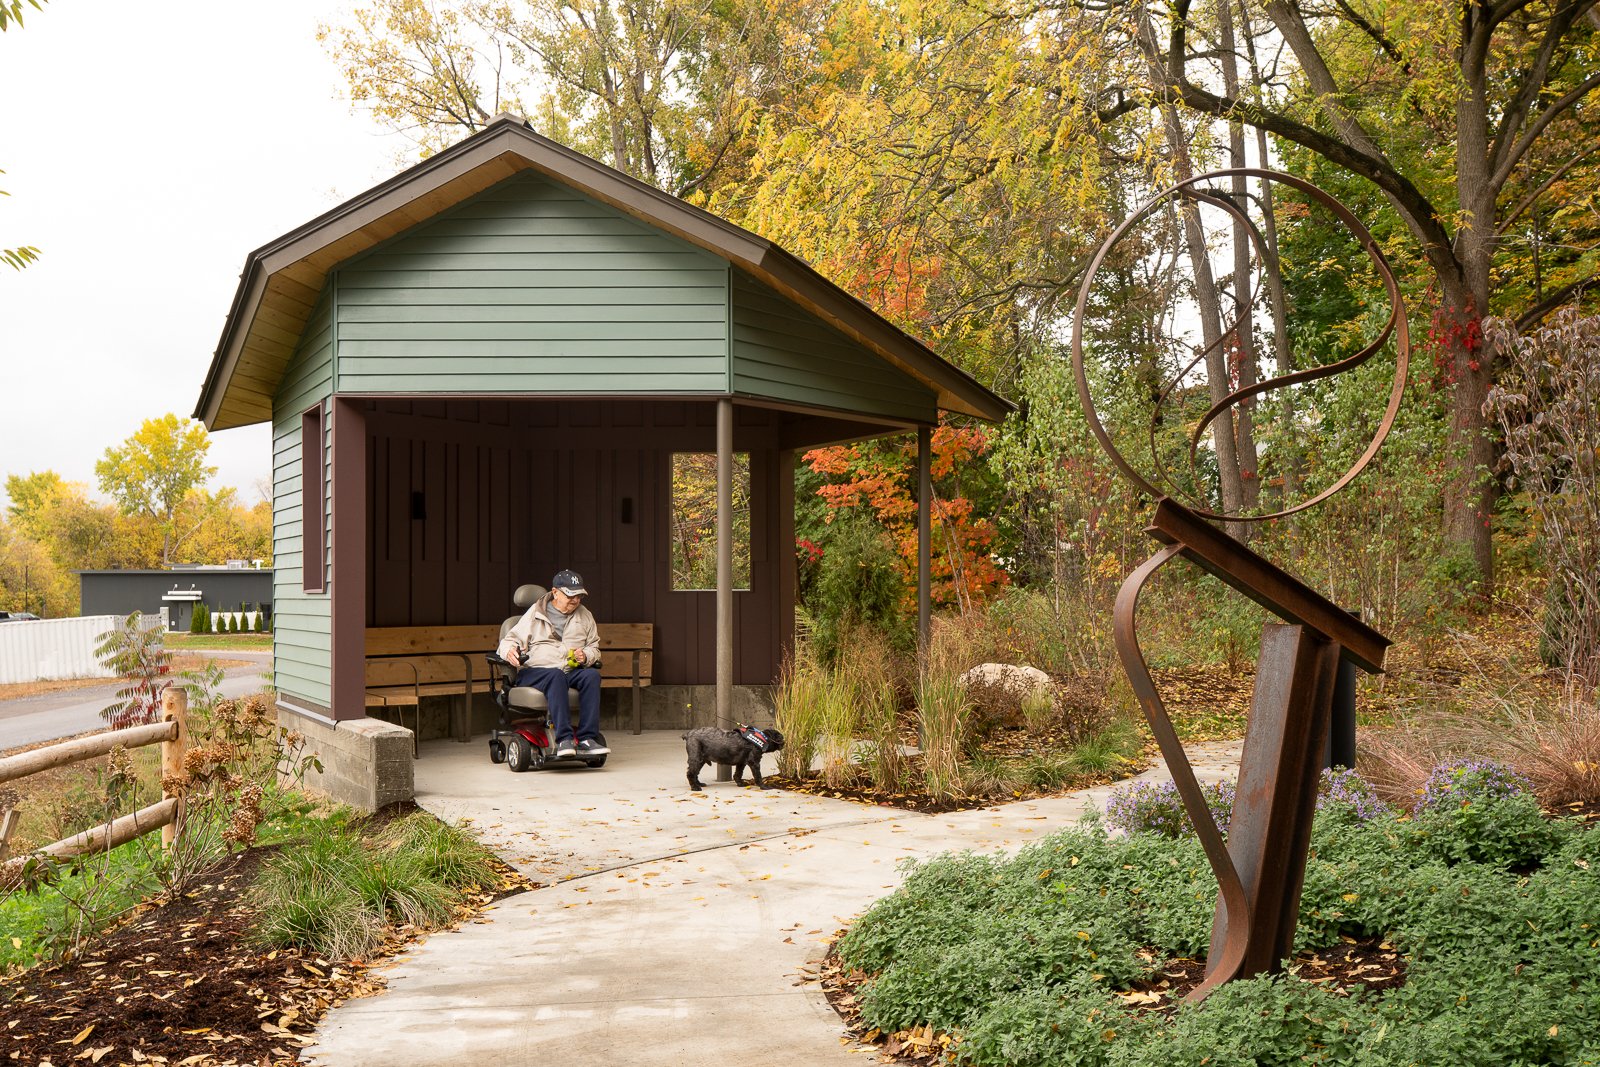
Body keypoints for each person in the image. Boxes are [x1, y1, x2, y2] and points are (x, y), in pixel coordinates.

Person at [497, 569, 608, 758]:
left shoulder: (585, 615)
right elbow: (509, 641)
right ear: (555, 592)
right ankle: (564, 739)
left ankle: (587, 739)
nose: (575, 600)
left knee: (591, 675)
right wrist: (509, 651)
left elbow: (594, 648)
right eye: (570, 595)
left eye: (579, 595)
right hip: (535, 671)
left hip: (569, 670)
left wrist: (586, 656)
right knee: (555, 675)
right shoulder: (535, 612)